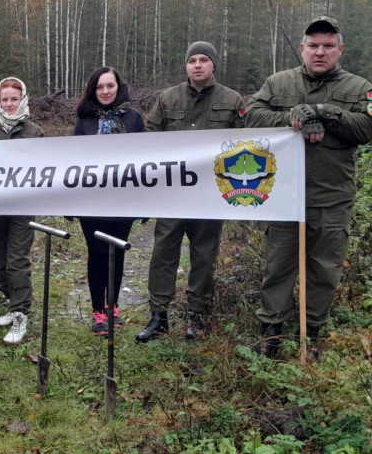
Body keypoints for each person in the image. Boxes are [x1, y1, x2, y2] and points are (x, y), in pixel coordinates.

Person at [245, 16, 372, 356]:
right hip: (284, 195)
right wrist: (295, 118)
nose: (320, 52)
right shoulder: (278, 83)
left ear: (340, 49)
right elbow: (252, 116)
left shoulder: (360, 87)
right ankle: (271, 331)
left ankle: (313, 332)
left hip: (331, 196)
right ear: (303, 48)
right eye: (314, 46)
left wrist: (324, 112)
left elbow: (367, 128)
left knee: (324, 268)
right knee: (278, 265)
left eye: (328, 46)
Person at [136, 41, 245, 343]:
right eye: (192, 60)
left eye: (203, 60)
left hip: (211, 193)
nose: (197, 65)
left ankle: (197, 316)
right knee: (163, 254)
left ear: (213, 65)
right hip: (174, 193)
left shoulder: (232, 100)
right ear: (186, 65)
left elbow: (247, 142)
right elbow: (150, 137)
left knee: (204, 255)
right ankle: (158, 316)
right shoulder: (168, 98)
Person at [72, 67, 145, 334]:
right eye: (100, 87)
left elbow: (146, 159)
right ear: (93, 90)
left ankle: (112, 306)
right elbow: (71, 161)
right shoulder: (84, 120)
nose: (105, 91)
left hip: (124, 200)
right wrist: (69, 201)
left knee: (117, 253)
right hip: (91, 201)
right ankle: (97, 311)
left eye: (110, 86)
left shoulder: (134, 118)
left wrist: (147, 201)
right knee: (97, 254)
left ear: (119, 87)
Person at [0, 77, 45, 344]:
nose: (9, 104)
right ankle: (11, 302)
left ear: (23, 100)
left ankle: (21, 315)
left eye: (14, 99)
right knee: (0, 259)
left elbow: (44, 168)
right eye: (4, 99)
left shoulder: (34, 132)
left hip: (22, 207)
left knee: (17, 260)